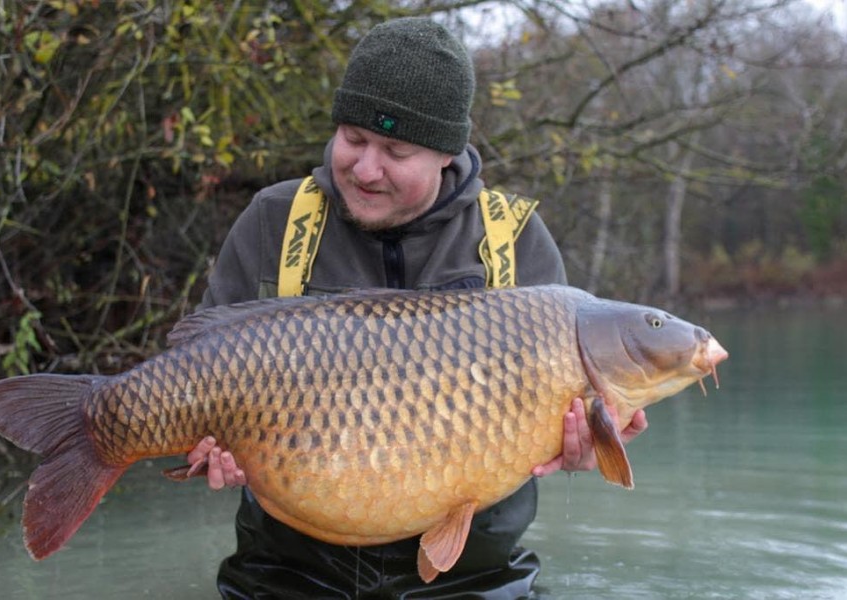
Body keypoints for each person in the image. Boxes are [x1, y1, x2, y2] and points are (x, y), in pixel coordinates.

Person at [185, 16, 648, 599]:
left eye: (396, 150)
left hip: (473, 578)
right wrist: (204, 445)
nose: (364, 167)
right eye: (353, 138)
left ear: (445, 154)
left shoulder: (515, 240)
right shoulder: (274, 222)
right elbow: (198, 371)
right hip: (289, 574)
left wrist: (585, 449)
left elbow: (566, 429)